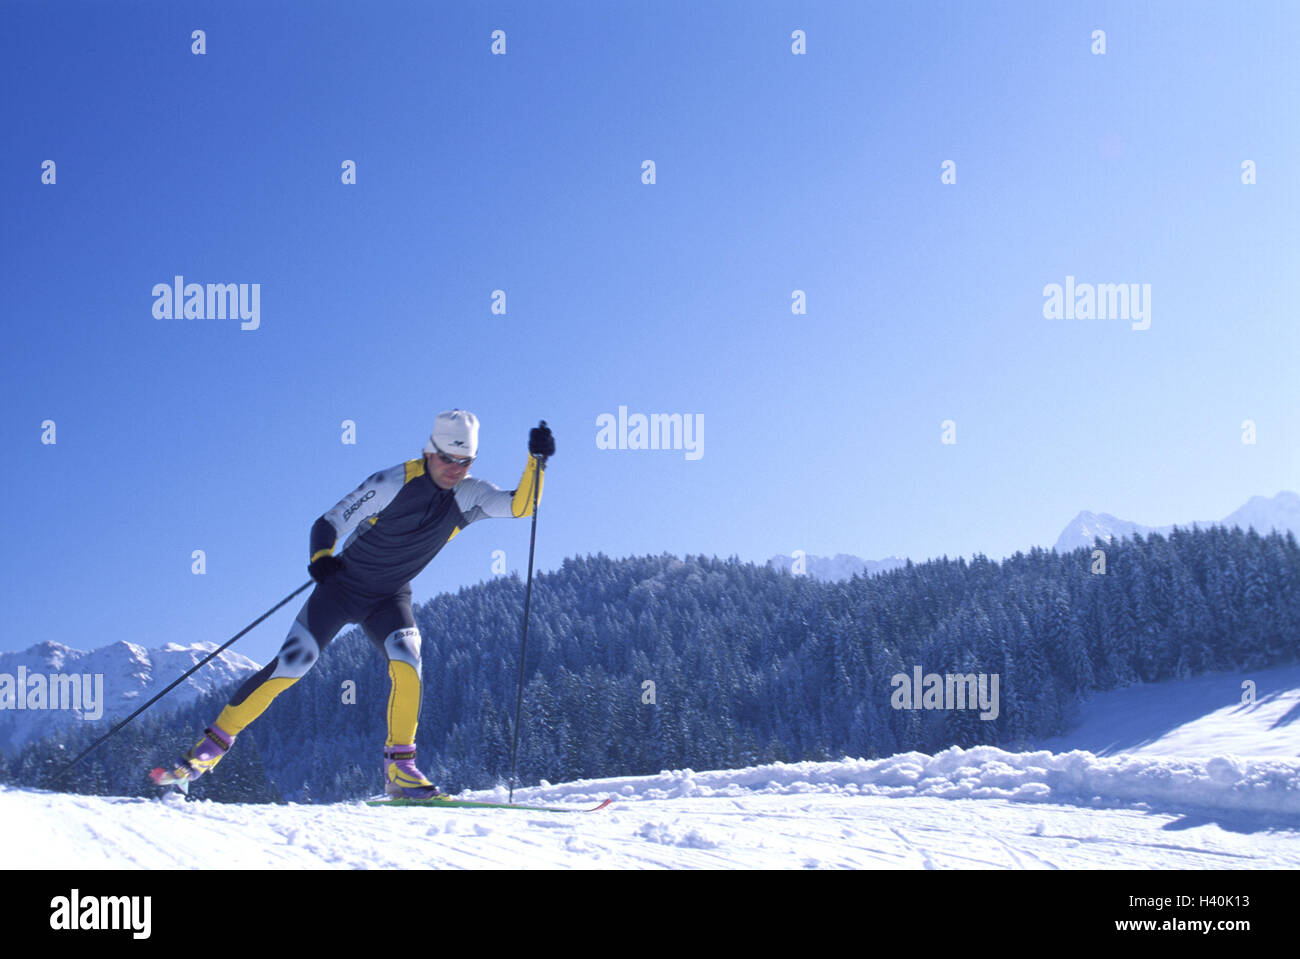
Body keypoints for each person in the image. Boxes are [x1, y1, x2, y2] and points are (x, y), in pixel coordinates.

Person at [154, 410, 555, 798]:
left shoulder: (470, 494)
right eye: (449, 459)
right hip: (341, 588)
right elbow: (327, 523)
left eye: (465, 461)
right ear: (429, 452)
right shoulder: (391, 482)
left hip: (390, 596)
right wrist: (321, 558)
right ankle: (207, 750)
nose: (456, 470)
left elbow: (522, 506)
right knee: (293, 665)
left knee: (409, 662)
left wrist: (536, 462)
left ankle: (400, 770)